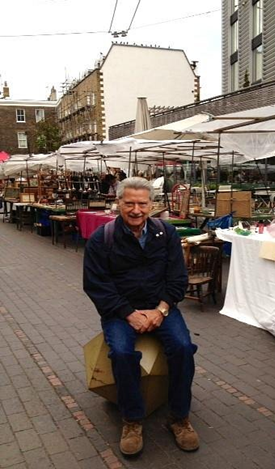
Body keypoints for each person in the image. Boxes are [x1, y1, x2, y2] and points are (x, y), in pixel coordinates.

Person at [83, 177, 199, 456]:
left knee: (183, 349)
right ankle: (132, 420)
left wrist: (161, 310)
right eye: (130, 203)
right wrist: (128, 313)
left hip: (160, 306)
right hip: (120, 311)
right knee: (122, 354)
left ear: (152, 205)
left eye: (142, 203)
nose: (136, 210)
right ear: (119, 203)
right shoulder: (104, 237)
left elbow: (177, 278)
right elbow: (96, 284)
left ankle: (179, 417)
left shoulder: (166, 233)